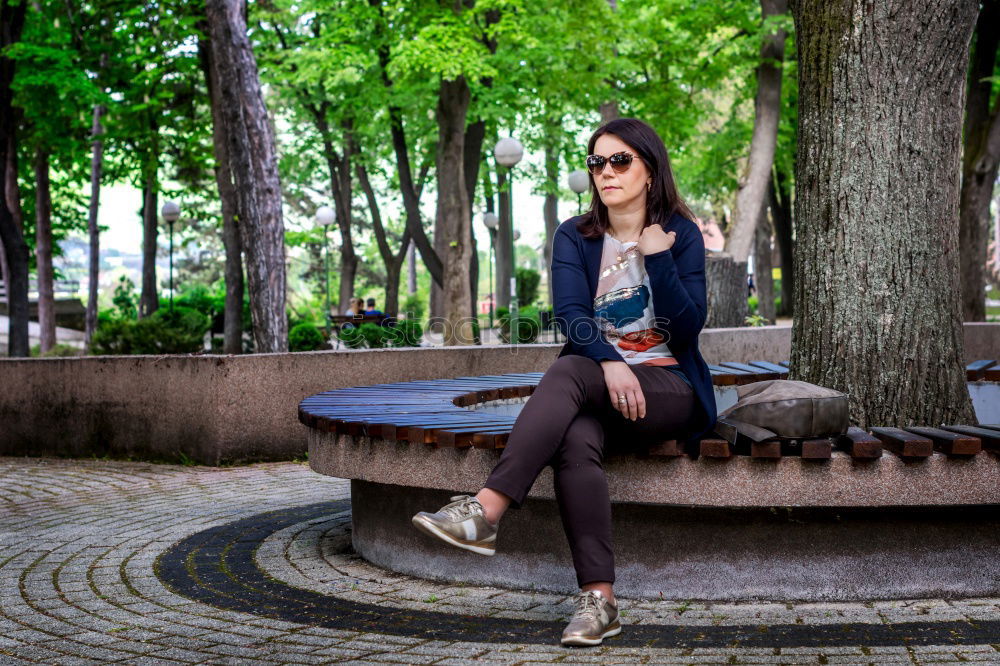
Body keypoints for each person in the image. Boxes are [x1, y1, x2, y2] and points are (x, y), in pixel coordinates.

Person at [410, 118, 717, 647]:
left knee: (571, 367)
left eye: (621, 161)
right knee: (575, 439)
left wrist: (657, 255)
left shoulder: (679, 235)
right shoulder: (575, 236)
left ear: (650, 170)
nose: (606, 172)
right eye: (597, 162)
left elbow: (688, 327)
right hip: (601, 385)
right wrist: (612, 361)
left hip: (669, 390)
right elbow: (572, 316)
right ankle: (601, 601)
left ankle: (486, 509)